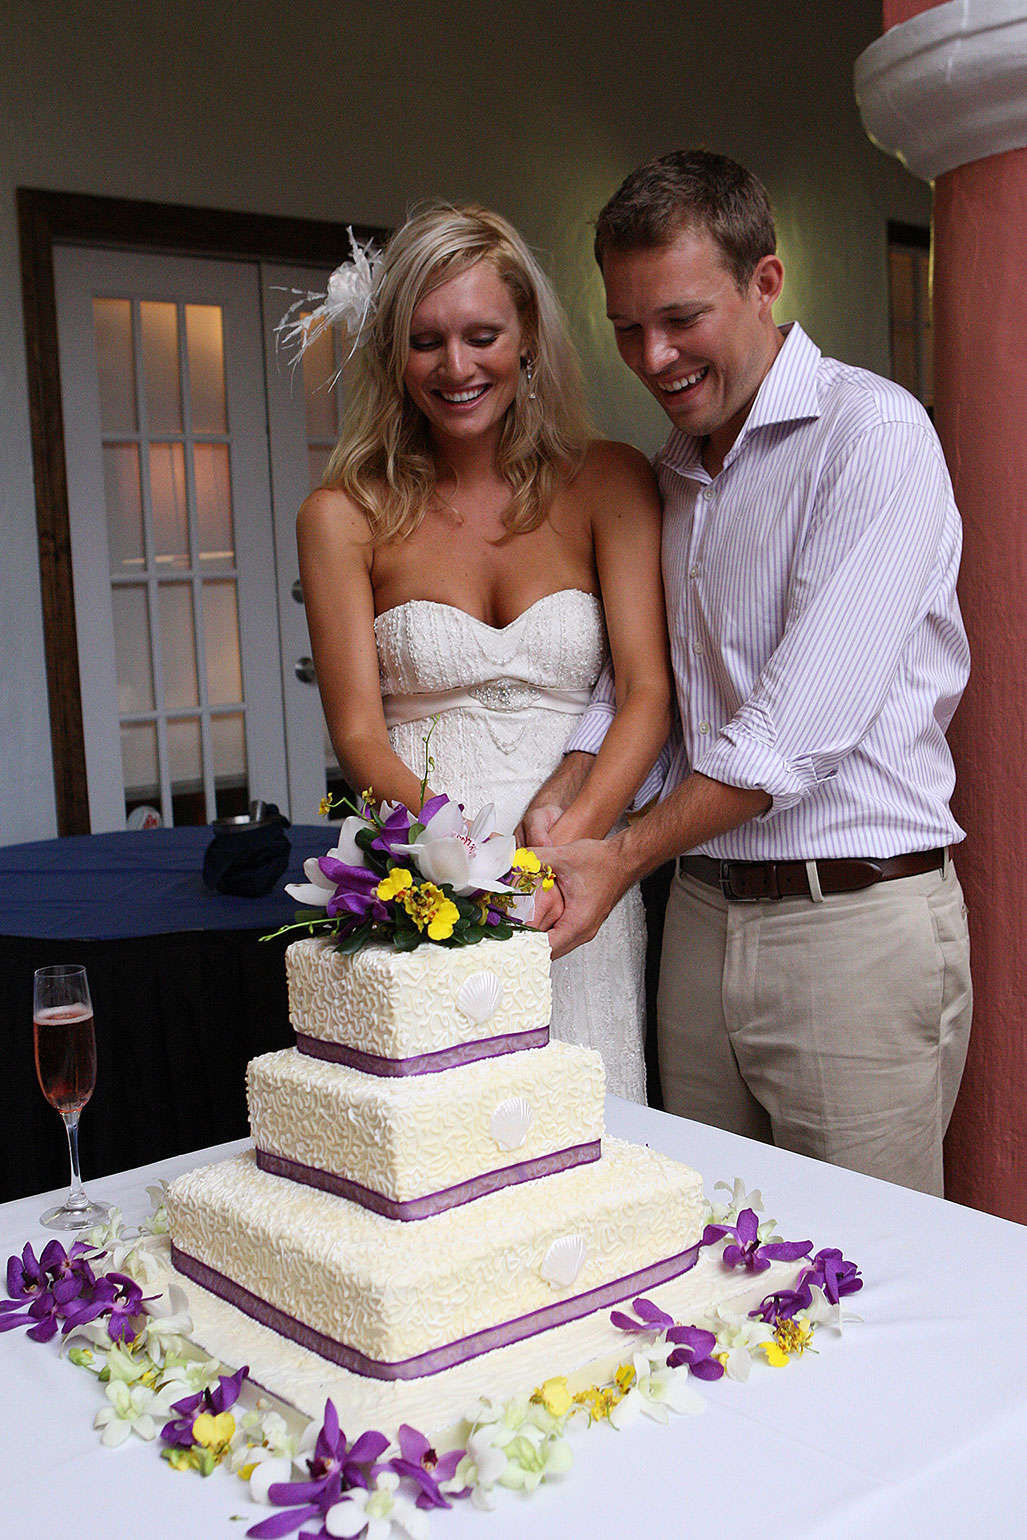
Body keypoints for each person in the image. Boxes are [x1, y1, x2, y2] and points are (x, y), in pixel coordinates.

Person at [527, 150, 972, 1195]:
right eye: (627, 325)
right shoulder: (672, 471)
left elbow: (791, 731)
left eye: (680, 317)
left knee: (871, 1277)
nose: (653, 354)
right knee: (714, 1252)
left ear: (765, 284)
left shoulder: (875, 436)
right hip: (700, 920)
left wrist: (617, 854)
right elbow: (645, 689)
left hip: (853, 925)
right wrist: (565, 800)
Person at [296, 203, 672, 1101]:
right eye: (425, 340)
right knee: (446, 1148)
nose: (455, 366)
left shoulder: (611, 480)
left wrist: (558, 859)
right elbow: (358, 736)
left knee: (591, 1134)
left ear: (528, 335)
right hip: (428, 879)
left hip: (577, 879)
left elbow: (648, 691)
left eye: (481, 334)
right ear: (393, 354)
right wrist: (468, 867)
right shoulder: (342, 517)